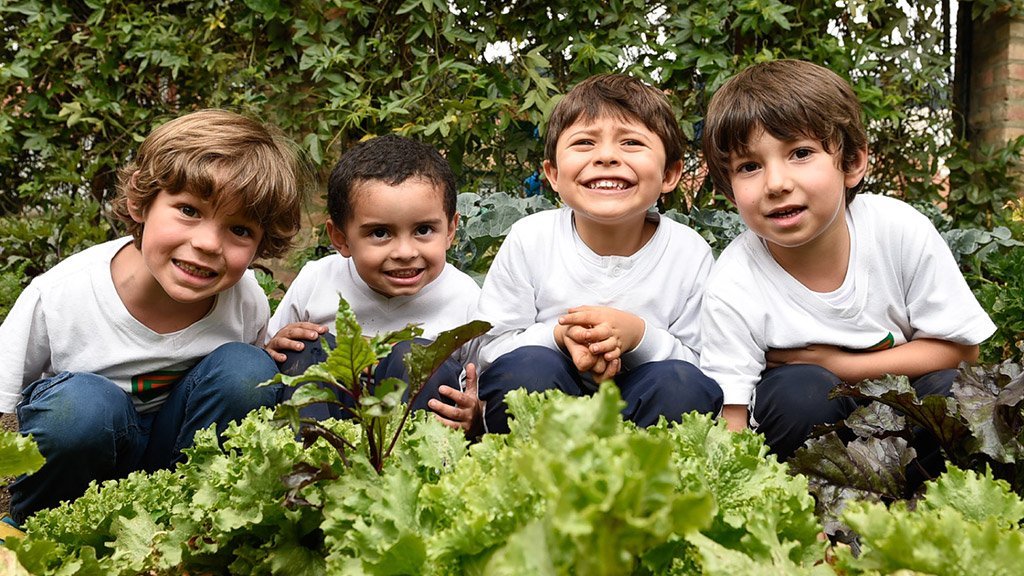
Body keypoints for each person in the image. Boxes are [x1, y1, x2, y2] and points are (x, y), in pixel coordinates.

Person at [0, 109, 304, 526]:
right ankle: (36, 529)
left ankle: (194, 524)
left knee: (248, 369)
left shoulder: (245, 297)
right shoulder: (59, 296)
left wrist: (274, 353)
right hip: (82, 461)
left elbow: (232, 394)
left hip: (174, 459)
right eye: (189, 211)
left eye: (239, 230)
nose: (207, 243)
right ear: (139, 204)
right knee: (80, 408)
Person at [699, 59, 996, 464]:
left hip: (906, 427)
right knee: (798, 391)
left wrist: (839, 364)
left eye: (800, 153)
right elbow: (731, 416)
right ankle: (819, 515)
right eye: (749, 166)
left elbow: (962, 350)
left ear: (852, 163)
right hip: (810, 439)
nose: (776, 183)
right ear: (731, 192)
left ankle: (935, 512)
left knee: (953, 391)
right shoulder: (734, 282)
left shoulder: (898, 229)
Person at [475, 73, 724, 433]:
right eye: (585, 143)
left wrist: (639, 337)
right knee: (524, 369)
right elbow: (491, 352)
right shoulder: (531, 239)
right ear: (553, 173)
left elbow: (705, 368)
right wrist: (558, 338)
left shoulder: (688, 252)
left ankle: (648, 486)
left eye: (632, 143)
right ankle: (533, 482)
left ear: (670, 173)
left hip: (643, 408)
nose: (607, 157)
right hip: (555, 408)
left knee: (680, 384)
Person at [265, 134, 483, 435]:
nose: (405, 252)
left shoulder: (466, 299)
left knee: (415, 357)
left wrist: (476, 411)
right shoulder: (317, 280)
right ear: (340, 238)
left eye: (423, 230)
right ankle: (310, 465)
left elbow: (480, 385)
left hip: (413, 447)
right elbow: (270, 361)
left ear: (450, 230)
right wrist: (275, 347)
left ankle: (415, 475)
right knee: (303, 347)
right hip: (329, 429)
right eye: (380, 233)